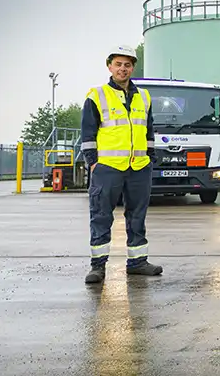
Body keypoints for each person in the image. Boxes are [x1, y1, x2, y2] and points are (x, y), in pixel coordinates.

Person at [81, 45, 163, 284]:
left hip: (139, 167)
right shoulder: (96, 95)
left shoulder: (144, 96)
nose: (123, 69)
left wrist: (150, 156)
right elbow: (87, 133)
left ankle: (137, 262)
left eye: (127, 65)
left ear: (133, 68)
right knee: (101, 215)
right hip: (107, 167)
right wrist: (93, 163)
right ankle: (98, 267)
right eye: (118, 64)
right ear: (110, 66)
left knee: (137, 215)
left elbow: (148, 131)